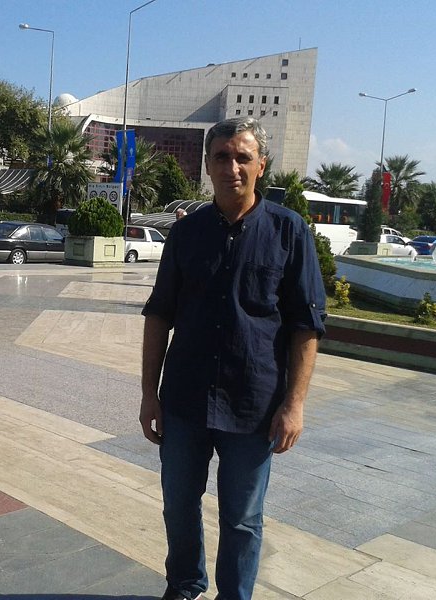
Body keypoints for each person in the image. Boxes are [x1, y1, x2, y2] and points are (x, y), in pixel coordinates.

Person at [139, 117, 326, 600]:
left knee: (242, 517)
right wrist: (148, 395)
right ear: (208, 165)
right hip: (185, 400)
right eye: (222, 156)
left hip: (254, 405)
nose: (232, 167)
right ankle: (185, 585)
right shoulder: (186, 234)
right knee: (179, 505)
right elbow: (159, 315)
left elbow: (306, 327)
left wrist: (295, 404)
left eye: (243, 157)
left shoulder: (289, 232)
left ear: (261, 165)